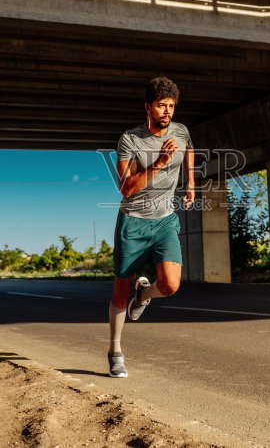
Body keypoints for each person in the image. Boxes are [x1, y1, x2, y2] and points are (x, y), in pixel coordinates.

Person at [107, 76, 195, 378]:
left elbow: (189, 150)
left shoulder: (181, 131)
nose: (167, 111)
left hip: (165, 220)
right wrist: (159, 162)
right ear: (148, 107)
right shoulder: (130, 140)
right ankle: (115, 350)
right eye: (161, 106)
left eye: (171, 106)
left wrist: (191, 184)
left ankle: (144, 295)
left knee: (170, 285)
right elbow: (126, 187)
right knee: (120, 293)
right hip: (133, 222)